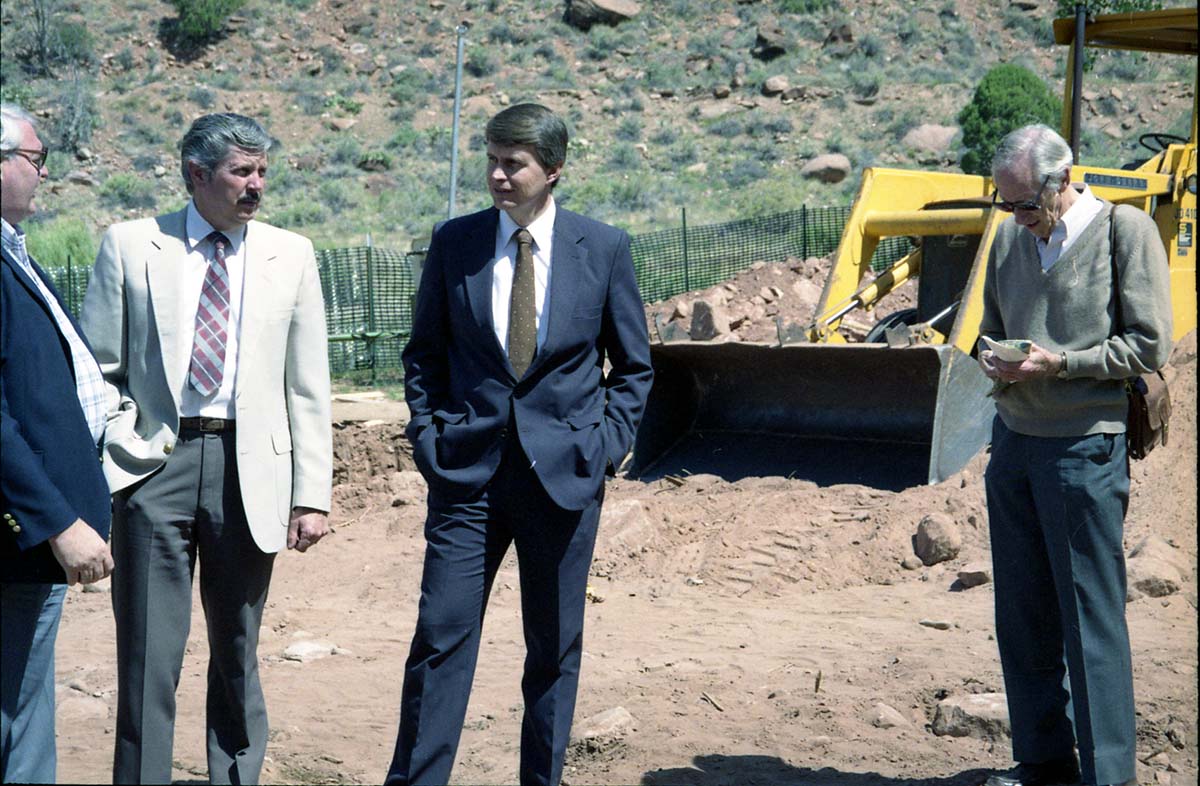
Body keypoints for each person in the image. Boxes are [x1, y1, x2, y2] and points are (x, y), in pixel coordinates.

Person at [386, 103, 653, 786]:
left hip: (563, 478)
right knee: (440, 637)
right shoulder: (456, 242)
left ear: (553, 169)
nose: (498, 175)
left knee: (553, 650)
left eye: (514, 163)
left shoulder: (604, 248)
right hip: (466, 476)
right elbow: (424, 355)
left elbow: (633, 367)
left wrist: (606, 445)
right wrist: (429, 435)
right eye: (492, 160)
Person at [78, 112, 333, 785]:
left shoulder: (290, 253)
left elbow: (308, 385)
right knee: (147, 655)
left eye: (262, 172)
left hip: (249, 471)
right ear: (196, 174)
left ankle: (237, 777)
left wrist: (312, 494)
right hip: (152, 468)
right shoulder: (132, 245)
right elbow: (97, 371)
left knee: (238, 647)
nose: (256, 185)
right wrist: (115, 452)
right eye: (241, 172)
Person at [978, 123, 1172, 786]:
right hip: (1014, 444)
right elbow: (990, 328)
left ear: (1063, 181)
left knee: (1091, 619)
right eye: (1005, 204)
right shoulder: (1010, 238)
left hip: (1085, 446)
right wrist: (992, 358)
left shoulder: (1125, 232)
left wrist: (1061, 364)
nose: (1015, 217)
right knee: (1022, 616)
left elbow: (1149, 346)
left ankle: (1108, 776)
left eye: (1025, 204)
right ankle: (1043, 764)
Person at [0, 102, 114, 783]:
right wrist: (56, 523)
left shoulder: (13, 250)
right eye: (36, 160)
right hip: (19, 538)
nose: (44, 174)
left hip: (31, 542)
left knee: (26, 709)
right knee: (12, 713)